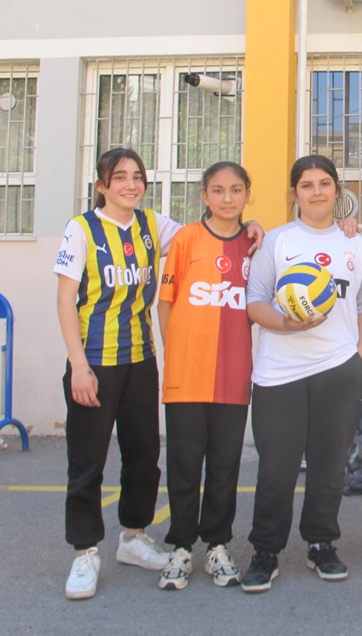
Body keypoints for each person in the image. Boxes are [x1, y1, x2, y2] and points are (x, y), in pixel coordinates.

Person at [54, 148, 262, 600]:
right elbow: (65, 300)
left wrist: (253, 226)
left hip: (141, 359)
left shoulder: (152, 225)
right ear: (101, 185)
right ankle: (85, 552)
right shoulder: (82, 228)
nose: (130, 184)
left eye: (137, 176)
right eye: (119, 177)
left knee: (143, 456)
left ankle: (133, 536)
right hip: (94, 360)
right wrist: (78, 366)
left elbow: (212, 230)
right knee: (87, 462)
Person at [240, 155, 362, 592]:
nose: (316, 192)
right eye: (306, 185)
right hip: (280, 373)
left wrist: (359, 357)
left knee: (329, 467)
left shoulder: (357, 245)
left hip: (338, 369)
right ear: (294, 193)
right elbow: (255, 301)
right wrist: (286, 324)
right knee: (276, 470)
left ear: (337, 190)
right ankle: (265, 551)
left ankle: (321, 544)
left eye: (324, 183)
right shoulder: (277, 242)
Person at [155, 162, 254, 591]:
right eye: (218, 190)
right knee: (183, 464)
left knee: (224, 466)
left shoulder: (256, 245)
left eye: (235, 189)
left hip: (233, 373)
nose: (227, 198)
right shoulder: (185, 239)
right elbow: (165, 302)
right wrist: (175, 352)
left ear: (247, 194)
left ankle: (217, 544)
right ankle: (181, 548)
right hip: (187, 374)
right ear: (204, 196)